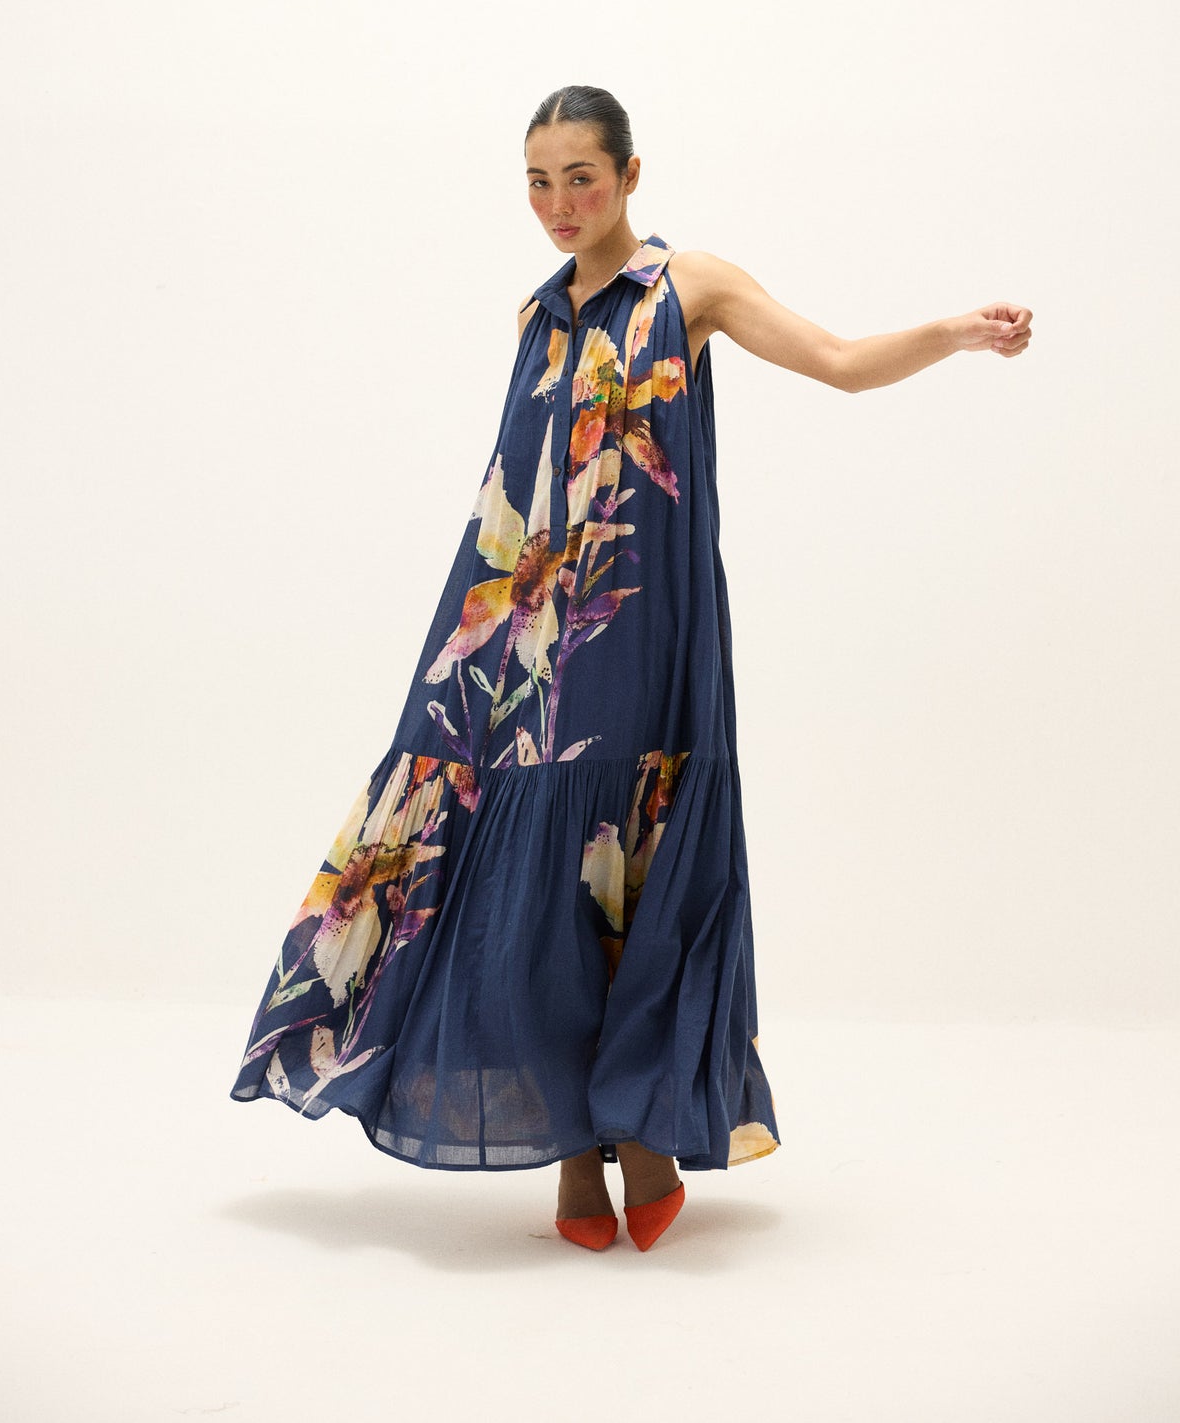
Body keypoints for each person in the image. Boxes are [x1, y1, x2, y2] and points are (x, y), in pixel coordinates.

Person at [229, 83, 1032, 1254]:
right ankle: (573, 1146)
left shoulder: (687, 287)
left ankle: (641, 1135)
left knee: (636, 868)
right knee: (538, 881)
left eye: (581, 178)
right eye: (538, 182)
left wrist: (957, 332)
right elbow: (514, 499)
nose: (559, 203)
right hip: (523, 648)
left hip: (644, 636)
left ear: (630, 175)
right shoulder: (535, 316)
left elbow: (841, 361)